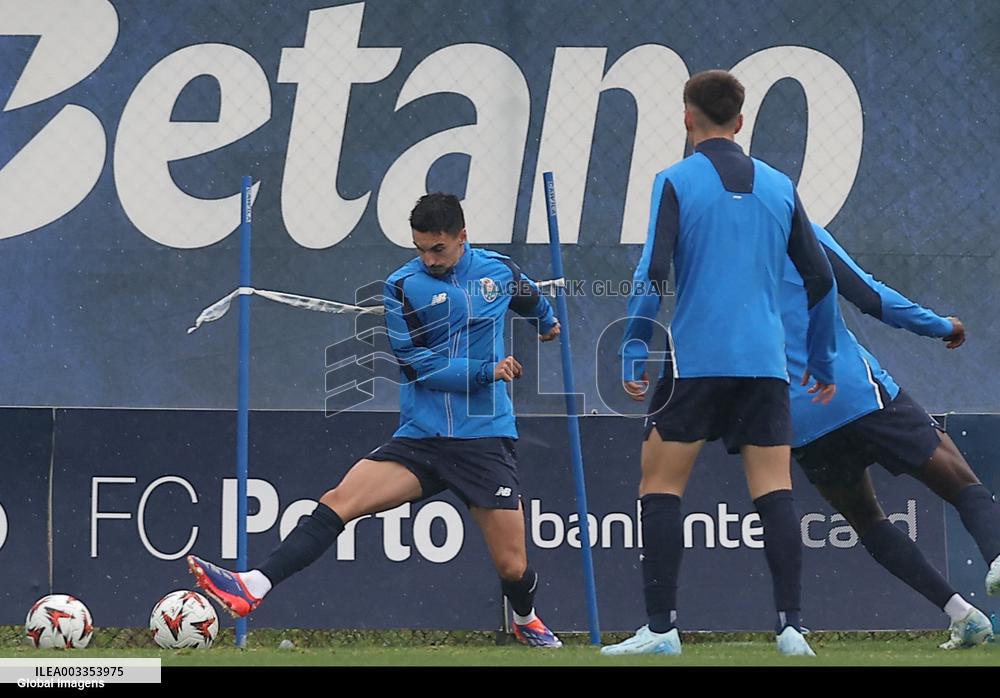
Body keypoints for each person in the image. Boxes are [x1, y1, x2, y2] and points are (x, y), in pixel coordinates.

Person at [187, 193, 564, 648]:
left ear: (462, 237)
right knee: (338, 499)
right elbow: (416, 365)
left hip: (483, 438)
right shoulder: (403, 286)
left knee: (512, 567)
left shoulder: (498, 272)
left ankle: (525, 618)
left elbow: (529, 298)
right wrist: (488, 370)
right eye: (420, 248)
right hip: (422, 439)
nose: (428, 259)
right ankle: (253, 586)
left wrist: (545, 322)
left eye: (437, 249)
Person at [604, 70, 840, 657]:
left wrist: (635, 346)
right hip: (764, 365)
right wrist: (822, 356)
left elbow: (652, 272)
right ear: (740, 121)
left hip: (696, 363)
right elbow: (819, 277)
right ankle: (791, 628)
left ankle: (661, 630)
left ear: (687, 117)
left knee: (659, 486)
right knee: (774, 491)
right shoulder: (781, 186)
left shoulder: (675, 180)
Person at [783, 222, 998, 649]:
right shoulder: (795, 226)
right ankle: (998, 556)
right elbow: (871, 297)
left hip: (797, 414)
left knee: (867, 520)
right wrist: (941, 326)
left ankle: (961, 614)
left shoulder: (715, 257)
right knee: (962, 484)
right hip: (856, 393)